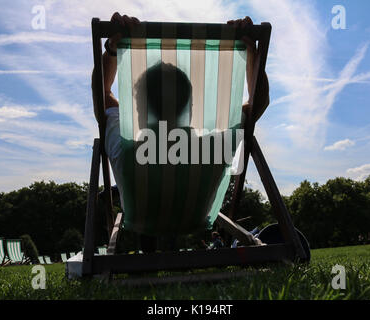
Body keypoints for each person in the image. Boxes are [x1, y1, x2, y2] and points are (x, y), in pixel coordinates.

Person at [92, 13, 269, 249]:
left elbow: (102, 96)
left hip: (139, 221)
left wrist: (112, 49)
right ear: (191, 106)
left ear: (137, 109)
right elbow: (259, 101)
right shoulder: (215, 147)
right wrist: (250, 53)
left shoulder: (122, 148)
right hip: (195, 220)